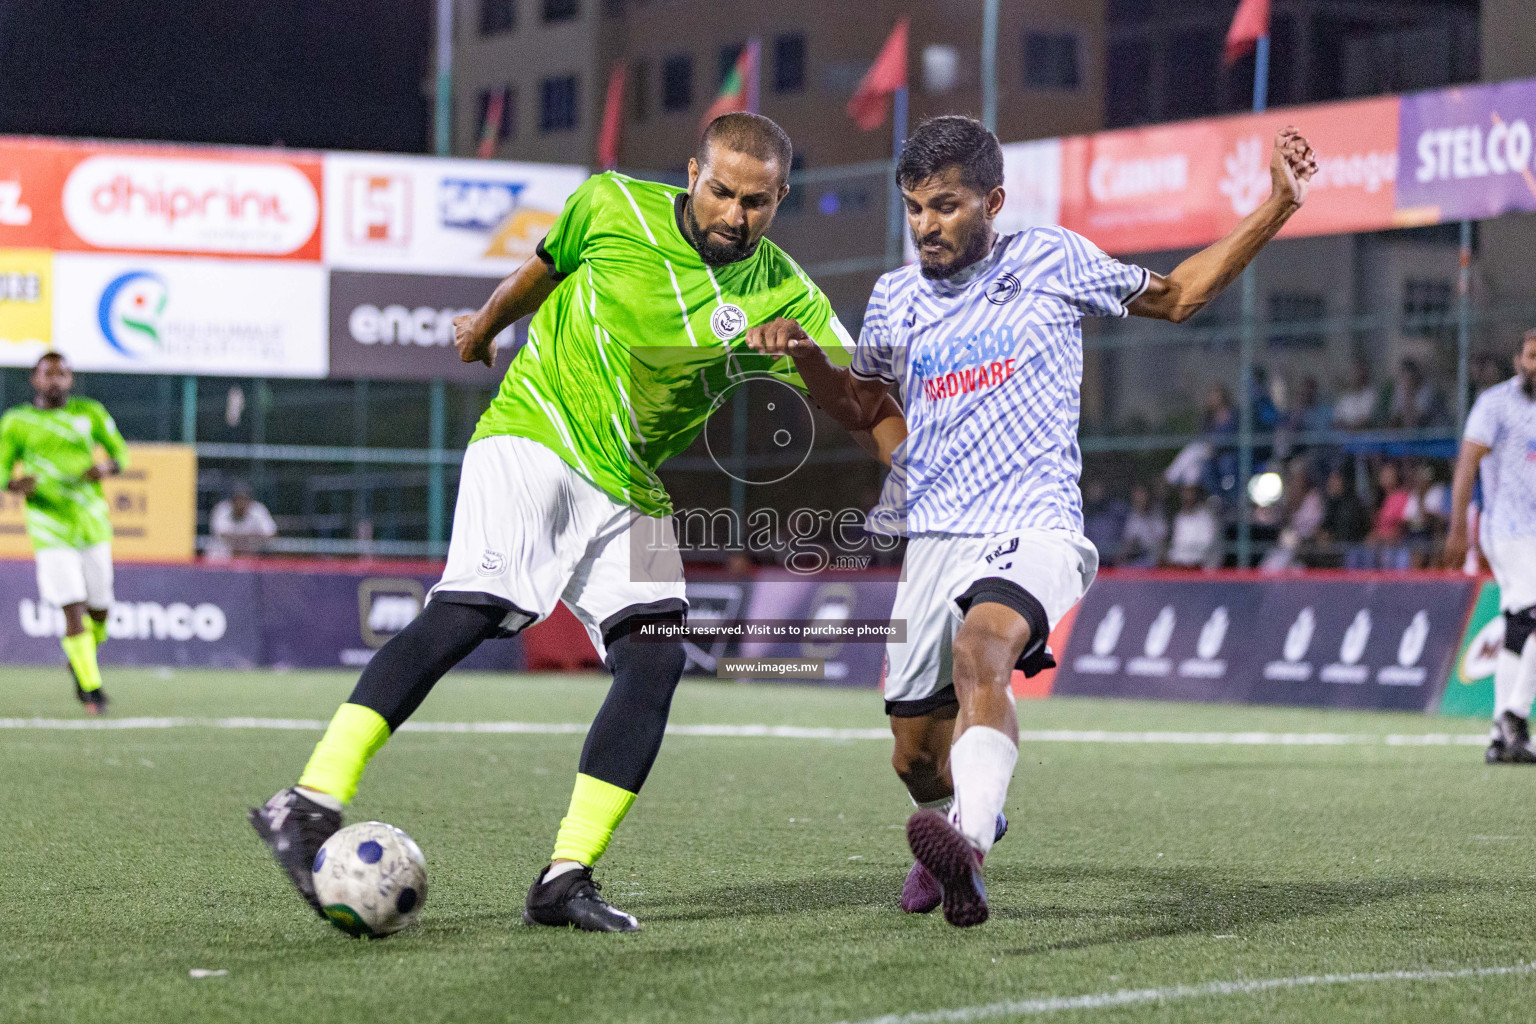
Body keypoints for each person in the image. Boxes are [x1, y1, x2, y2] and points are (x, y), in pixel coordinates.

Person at [248, 113, 902, 932]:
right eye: (722, 191)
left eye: (759, 202)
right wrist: (485, 327)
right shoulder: (610, 204)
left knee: (656, 658)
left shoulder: (784, 289)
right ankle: (308, 801)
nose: (736, 215)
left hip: (628, 482)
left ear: (781, 199)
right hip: (538, 431)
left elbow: (861, 403)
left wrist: (810, 359)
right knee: (469, 613)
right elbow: (541, 273)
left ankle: (565, 877)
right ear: (693, 172)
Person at [749, 116, 1316, 925]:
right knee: (915, 759)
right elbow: (864, 404)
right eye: (913, 207)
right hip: (934, 534)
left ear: (994, 201)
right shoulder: (894, 297)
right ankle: (965, 813)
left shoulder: (1052, 258)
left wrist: (1278, 204)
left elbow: (1183, 296)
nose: (925, 226)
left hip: (1034, 518)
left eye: (945, 206)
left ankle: (969, 841)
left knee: (983, 652)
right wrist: (808, 360)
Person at [0, 353, 127, 713]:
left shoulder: (90, 413)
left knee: (100, 610)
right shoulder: (16, 421)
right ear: (35, 379)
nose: (55, 380)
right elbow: (2, 469)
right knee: (73, 608)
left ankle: (80, 658)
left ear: (70, 379)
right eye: (48, 374)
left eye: (62, 374)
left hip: (91, 522)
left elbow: (120, 454)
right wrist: (13, 483)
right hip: (48, 524)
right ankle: (91, 688)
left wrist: (107, 466)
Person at [1446, 329, 1536, 763]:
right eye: (1532, 356)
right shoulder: (1495, 404)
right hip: (1509, 529)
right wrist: (1458, 529)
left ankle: (1503, 737)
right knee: (1531, 616)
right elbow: (1466, 466)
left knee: (1521, 623)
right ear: (1518, 360)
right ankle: (1515, 714)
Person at [206, 481, 277, 560]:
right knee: (216, 550)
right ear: (232, 501)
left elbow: (270, 534)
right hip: (226, 552)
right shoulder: (222, 509)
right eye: (237, 499)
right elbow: (222, 535)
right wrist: (250, 537)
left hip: (252, 551)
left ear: (250, 501)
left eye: (244, 499)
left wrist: (243, 541)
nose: (240, 503)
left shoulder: (258, 510)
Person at [1164, 484, 1221, 569]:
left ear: (1196, 497)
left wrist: (1184, 552)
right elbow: (1176, 544)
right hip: (1180, 565)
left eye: (1190, 495)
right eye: (1184, 495)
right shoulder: (1179, 518)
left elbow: (1205, 546)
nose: (1187, 498)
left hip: (1200, 565)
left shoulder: (1206, 518)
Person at [1119, 483, 1167, 568]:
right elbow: (1128, 545)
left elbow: (1162, 545)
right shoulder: (1132, 517)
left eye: (1142, 495)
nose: (1140, 499)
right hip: (1136, 562)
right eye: (1136, 496)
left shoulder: (1157, 516)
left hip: (1155, 563)